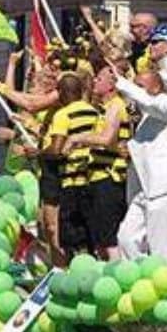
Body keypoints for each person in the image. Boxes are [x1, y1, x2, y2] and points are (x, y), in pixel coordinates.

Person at [115, 69, 167, 259]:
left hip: (164, 185)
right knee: (126, 237)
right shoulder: (144, 119)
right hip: (143, 188)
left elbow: (149, 102)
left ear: (156, 88)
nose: (135, 91)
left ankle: (165, 283)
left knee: (160, 243)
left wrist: (121, 82)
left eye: (140, 86)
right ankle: (138, 280)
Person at [64, 65, 131, 260]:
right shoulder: (103, 109)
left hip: (109, 179)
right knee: (100, 238)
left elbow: (107, 139)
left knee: (109, 238)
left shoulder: (116, 106)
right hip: (96, 177)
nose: (94, 81)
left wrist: (78, 138)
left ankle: (117, 277)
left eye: (99, 78)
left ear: (112, 85)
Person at [42, 73, 99, 258]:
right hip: (91, 177)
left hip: (71, 180)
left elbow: (57, 149)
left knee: (70, 234)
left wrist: (38, 152)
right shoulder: (94, 111)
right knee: (90, 232)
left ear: (61, 92)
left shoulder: (62, 115)